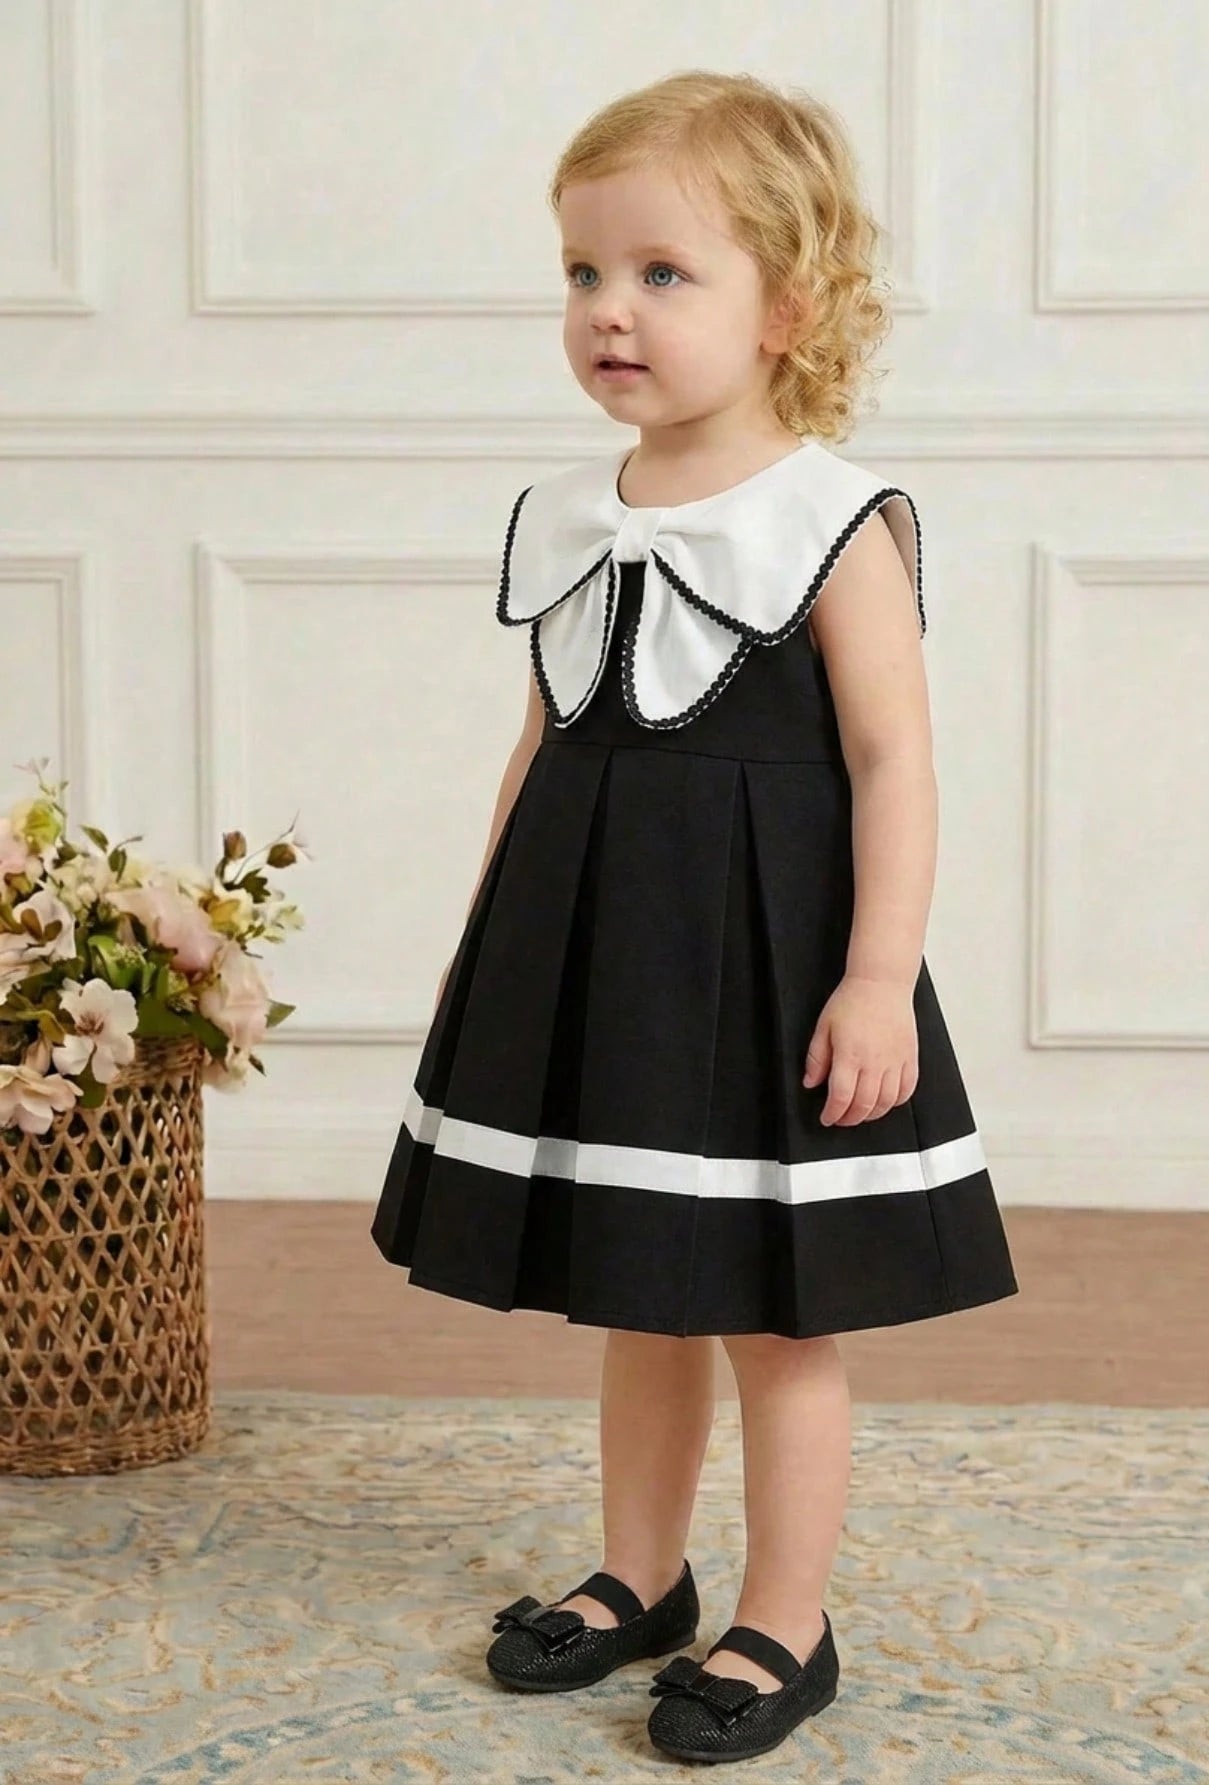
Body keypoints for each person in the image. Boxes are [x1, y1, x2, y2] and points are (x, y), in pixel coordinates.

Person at [371, 68, 1019, 1764]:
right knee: (637, 1288)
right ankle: (639, 1574)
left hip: (770, 970)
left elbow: (893, 760)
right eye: (585, 273)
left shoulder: (830, 519)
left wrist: (878, 976)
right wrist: (491, 944)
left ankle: (785, 1617)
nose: (611, 310)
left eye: (664, 273)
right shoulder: (569, 513)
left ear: (787, 305)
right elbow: (545, 742)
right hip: (608, 964)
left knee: (774, 1311)